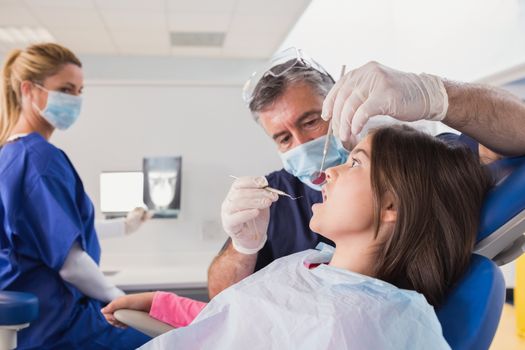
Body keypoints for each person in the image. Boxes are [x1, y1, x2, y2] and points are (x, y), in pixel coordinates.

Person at [102, 125, 491, 349]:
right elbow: (250, 327)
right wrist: (164, 303)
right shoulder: (314, 266)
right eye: (281, 137)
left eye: (354, 161)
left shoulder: (360, 325)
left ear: (392, 207)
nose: (331, 172)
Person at [208, 50, 525, 298]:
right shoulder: (273, 196)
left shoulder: (410, 165)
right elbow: (223, 303)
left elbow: (513, 139)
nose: (301, 145)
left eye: (309, 122)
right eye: (283, 138)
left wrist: (437, 95)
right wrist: (243, 246)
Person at [0, 43, 150, 349]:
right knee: (173, 338)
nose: (75, 100)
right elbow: (70, 262)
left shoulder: (11, 155)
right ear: (29, 90)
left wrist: (124, 227)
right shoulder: (39, 159)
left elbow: (48, 237)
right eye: (66, 89)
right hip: (60, 328)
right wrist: (118, 297)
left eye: (80, 91)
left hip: (35, 325)